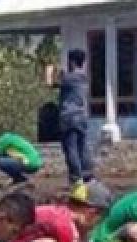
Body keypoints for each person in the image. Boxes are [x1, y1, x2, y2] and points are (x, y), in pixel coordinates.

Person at [57, 48, 93, 188]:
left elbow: (50, 83)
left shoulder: (69, 78)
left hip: (69, 116)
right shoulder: (84, 78)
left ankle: (76, 179)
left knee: (71, 149)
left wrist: (49, 69)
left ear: (71, 61)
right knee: (82, 148)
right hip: (82, 116)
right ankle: (87, 175)